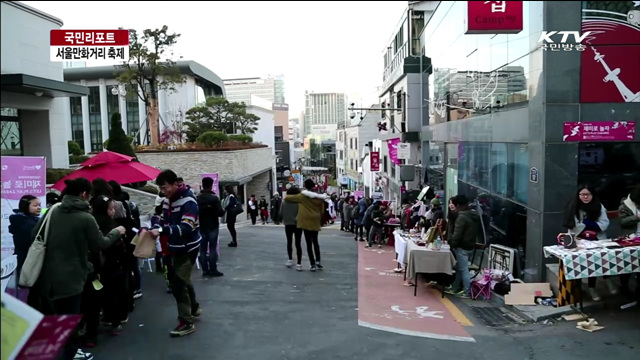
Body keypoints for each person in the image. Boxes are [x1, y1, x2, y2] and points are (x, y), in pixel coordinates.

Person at [28, 178, 124, 360]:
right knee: (70, 318)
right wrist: (116, 232)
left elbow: (35, 235)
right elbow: (100, 244)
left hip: (47, 276)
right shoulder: (85, 218)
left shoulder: (53, 211)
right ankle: (70, 354)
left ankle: (58, 350)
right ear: (84, 194)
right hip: (72, 277)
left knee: (56, 316)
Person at [151, 170, 202, 337]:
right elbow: (164, 220)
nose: (164, 192)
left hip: (189, 247)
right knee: (183, 279)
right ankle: (193, 308)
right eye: (161, 188)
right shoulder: (167, 201)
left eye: (165, 188)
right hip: (174, 246)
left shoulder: (189, 201)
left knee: (179, 283)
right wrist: (156, 223)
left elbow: (186, 227)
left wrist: (162, 229)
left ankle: (186, 322)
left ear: (175, 184)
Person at [562, 184, 612, 301]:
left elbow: (604, 223)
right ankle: (591, 288)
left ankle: (608, 280)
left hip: (598, 239)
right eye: (582, 194)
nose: (585, 197)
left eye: (588, 194)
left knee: (603, 261)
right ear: (578, 195)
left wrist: (589, 224)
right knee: (588, 265)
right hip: (580, 240)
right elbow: (575, 225)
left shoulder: (599, 206)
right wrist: (588, 225)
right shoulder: (573, 207)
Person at [284, 179, 327, 271]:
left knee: (308, 243)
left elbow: (287, 198)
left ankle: (312, 264)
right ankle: (318, 260)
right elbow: (322, 209)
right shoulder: (319, 197)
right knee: (315, 241)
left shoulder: (302, 196)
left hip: (305, 220)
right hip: (315, 219)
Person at [446, 195, 480, 299]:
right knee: (460, 268)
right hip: (470, 246)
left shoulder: (461, 217)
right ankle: (455, 287)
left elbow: (457, 234)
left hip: (462, 247)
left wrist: (451, 243)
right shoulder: (473, 215)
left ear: (458, 205)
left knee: (463, 269)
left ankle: (467, 292)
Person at [9, 195, 41, 289]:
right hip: (29, 261)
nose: (39, 207)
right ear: (25, 206)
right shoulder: (26, 224)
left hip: (25, 261)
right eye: (35, 205)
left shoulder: (27, 220)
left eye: (39, 205)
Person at [197, 177, 224, 277]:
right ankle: (213, 269)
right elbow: (220, 212)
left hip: (202, 225)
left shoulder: (198, 198)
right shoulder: (214, 198)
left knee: (203, 249)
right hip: (212, 225)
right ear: (211, 185)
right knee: (212, 248)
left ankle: (205, 270)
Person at [617, 185, 640, 298]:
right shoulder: (624, 206)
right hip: (630, 238)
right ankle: (624, 286)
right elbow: (622, 222)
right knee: (627, 264)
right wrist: (636, 217)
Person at [281, 186, 304, 270]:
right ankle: (299, 263)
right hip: (298, 224)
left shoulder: (284, 202)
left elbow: (281, 213)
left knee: (289, 241)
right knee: (298, 243)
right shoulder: (300, 202)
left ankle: (290, 259)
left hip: (288, 224)